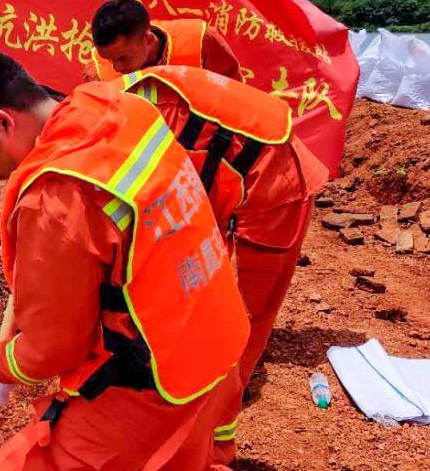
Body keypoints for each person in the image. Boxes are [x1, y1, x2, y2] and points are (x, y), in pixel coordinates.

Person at [0, 45, 249, 471]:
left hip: (158, 381)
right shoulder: (119, 106)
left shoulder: (56, 197)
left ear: (1, 122)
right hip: (215, 339)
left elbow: (54, 347)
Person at [94, 67, 328, 465]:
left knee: (241, 325)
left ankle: (217, 443)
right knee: (201, 297)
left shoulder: (147, 115)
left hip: (277, 188)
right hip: (228, 177)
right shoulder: (123, 102)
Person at [85, 0, 242, 83]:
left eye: (121, 58)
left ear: (148, 38)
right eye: (110, 59)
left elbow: (235, 95)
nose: (116, 67)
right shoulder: (98, 70)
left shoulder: (201, 41)